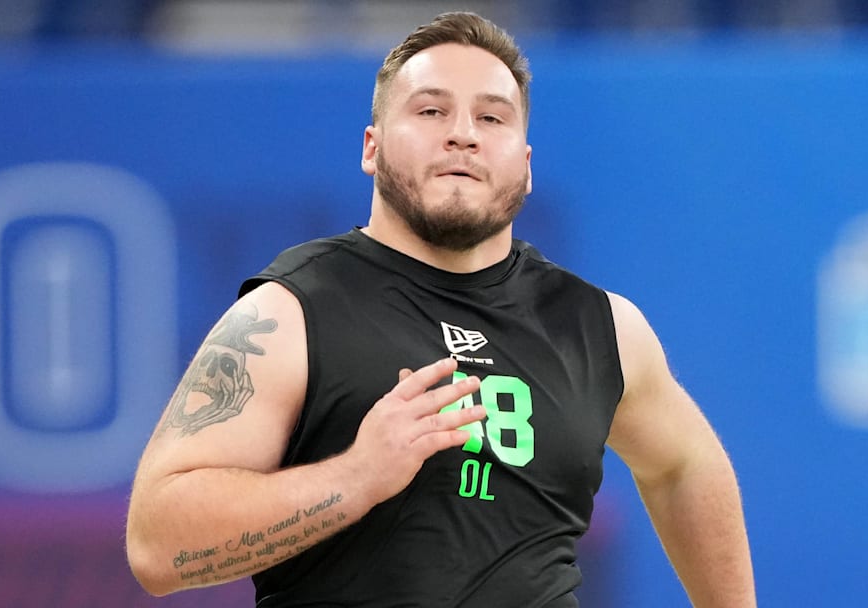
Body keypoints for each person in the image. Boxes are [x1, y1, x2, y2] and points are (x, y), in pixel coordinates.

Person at [125, 11, 755, 607]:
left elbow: (683, 465)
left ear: (526, 165)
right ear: (371, 147)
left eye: (493, 118)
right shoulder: (292, 312)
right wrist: (354, 478)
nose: (462, 133)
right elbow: (157, 544)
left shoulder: (600, 327)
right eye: (431, 110)